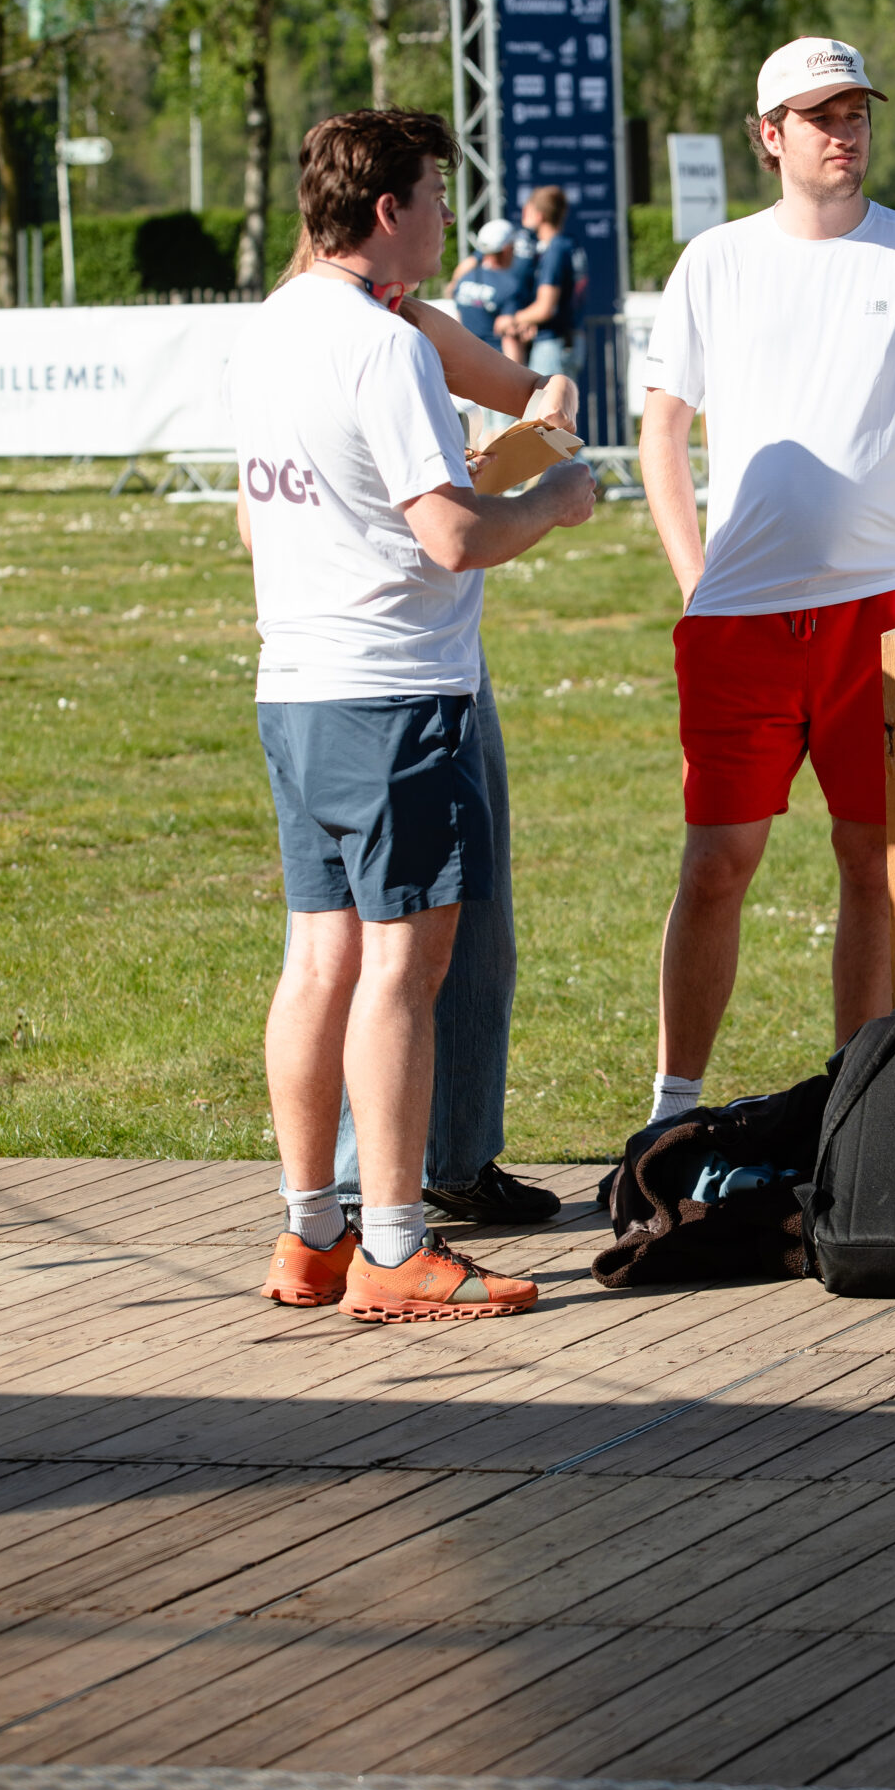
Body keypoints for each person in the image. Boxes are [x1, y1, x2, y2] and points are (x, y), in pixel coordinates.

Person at [230, 107, 595, 1320]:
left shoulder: (272, 327)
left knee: (317, 959)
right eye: (437, 195)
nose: (449, 216)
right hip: (394, 692)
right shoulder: (383, 347)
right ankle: (393, 1248)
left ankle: (312, 1235)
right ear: (389, 210)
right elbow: (452, 534)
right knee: (401, 966)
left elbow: (257, 524)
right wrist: (552, 499)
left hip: (296, 683)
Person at [638, 35, 895, 1126]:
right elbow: (662, 429)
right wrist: (695, 577)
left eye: (856, 113)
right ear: (770, 135)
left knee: (875, 865)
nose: (844, 133)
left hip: (886, 612)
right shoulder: (716, 260)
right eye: (820, 116)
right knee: (716, 864)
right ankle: (671, 1107)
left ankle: (856, 1115)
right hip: (739, 620)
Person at [502, 186, 586, 378]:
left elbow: (545, 308)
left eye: (527, 211)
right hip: (567, 340)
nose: (523, 216)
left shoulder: (555, 250)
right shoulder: (569, 244)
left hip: (553, 345)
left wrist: (511, 320)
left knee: (545, 398)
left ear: (539, 215)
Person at [445, 216, 531, 362]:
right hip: (495, 363)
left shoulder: (465, 279)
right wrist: (516, 374)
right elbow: (509, 337)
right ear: (507, 249)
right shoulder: (510, 286)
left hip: (465, 359)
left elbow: (459, 320)